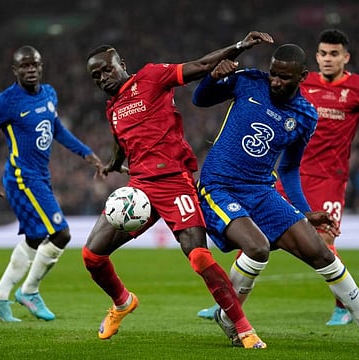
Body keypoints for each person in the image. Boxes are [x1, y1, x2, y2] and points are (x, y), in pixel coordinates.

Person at [191, 43, 359, 348]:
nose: (275, 81)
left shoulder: (305, 115)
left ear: (302, 76)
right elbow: (200, 99)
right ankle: (231, 318)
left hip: (261, 189)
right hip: (219, 185)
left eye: (284, 77)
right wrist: (213, 77)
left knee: (321, 252)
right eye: (274, 73)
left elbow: (290, 168)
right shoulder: (251, 80)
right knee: (257, 247)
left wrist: (304, 211)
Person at [82, 31, 274, 349]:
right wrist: (114, 164)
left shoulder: (152, 77)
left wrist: (240, 46)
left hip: (175, 182)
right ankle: (122, 302)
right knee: (91, 256)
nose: (102, 77)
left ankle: (242, 327)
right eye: (95, 76)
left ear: (122, 64)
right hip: (139, 189)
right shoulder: (112, 108)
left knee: (198, 256)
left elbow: (200, 65)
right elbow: (122, 143)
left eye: (106, 69)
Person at [0, 45, 105, 322]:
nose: (31, 70)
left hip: (40, 176)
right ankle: (29, 292)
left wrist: (87, 153)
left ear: (41, 66)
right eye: (24, 66)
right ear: (15, 70)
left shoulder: (49, 94)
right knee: (61, 234)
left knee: (36, 238)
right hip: (22, 178)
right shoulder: (5, 101)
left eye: (34, 65)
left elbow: (56, 129)